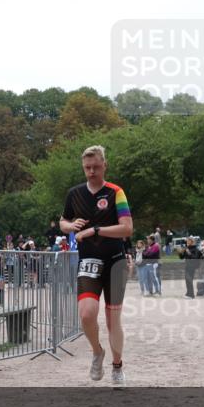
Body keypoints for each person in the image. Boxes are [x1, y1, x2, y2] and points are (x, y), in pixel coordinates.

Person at [60, 145, 134, 387]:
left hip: (115, 261)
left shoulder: (116, 192)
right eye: (87, 168)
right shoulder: (74, 194)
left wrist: (95, 230)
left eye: (96, 167)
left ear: (105, 165)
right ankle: (97, 351)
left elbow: (127, 228)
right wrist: (71, 227)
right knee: (86, 313)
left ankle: (117, 365)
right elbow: (63, 221)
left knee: (113, 319)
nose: (91, 172)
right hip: (88, 261)